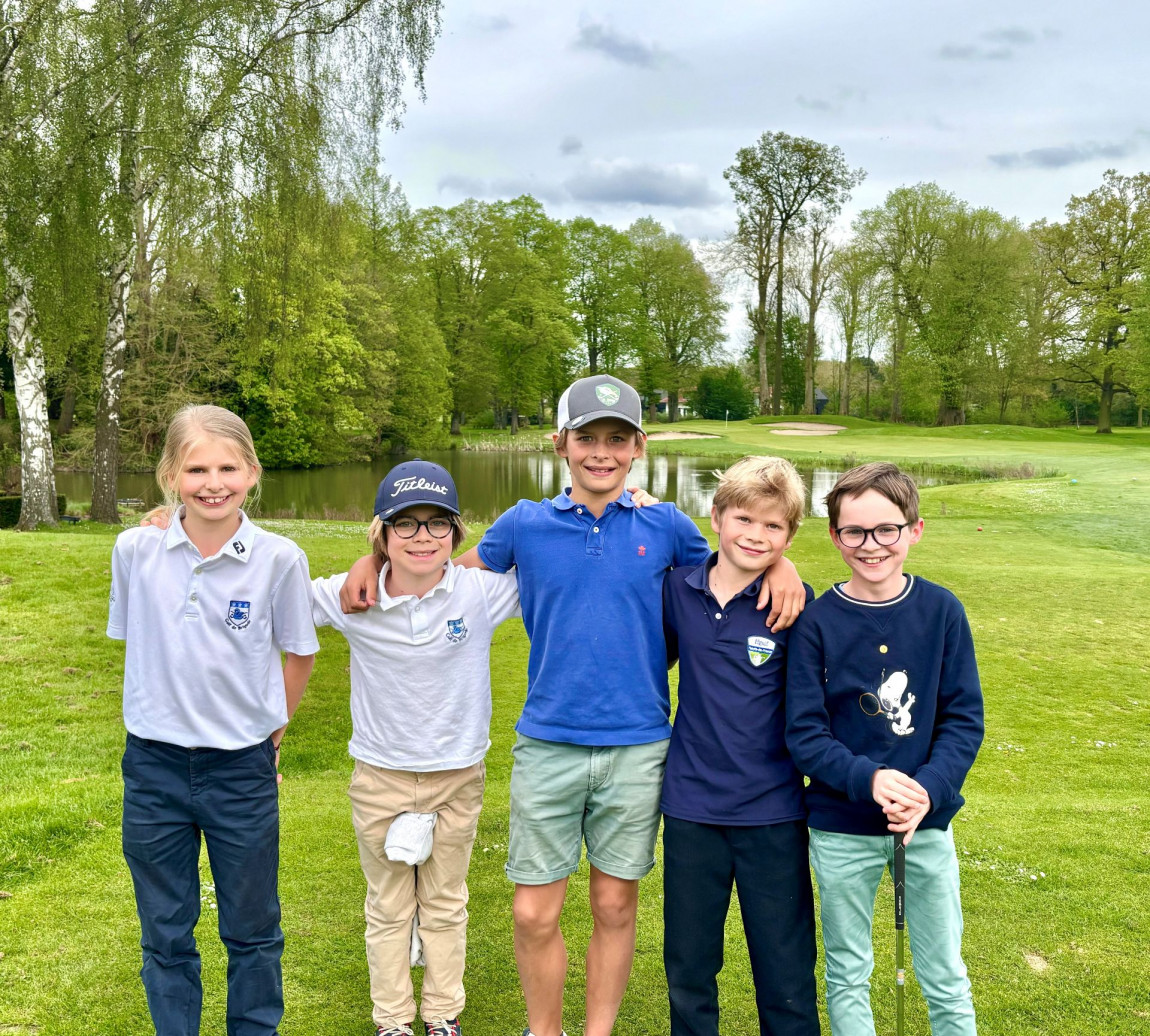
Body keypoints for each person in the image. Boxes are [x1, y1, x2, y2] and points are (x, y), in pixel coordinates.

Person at [339, 374, 806, 1036]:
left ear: (638, 448)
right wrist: (373, 560)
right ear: (560, 443)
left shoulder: (667, 525)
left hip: (638, 746)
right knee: (533, 912)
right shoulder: (524, 524)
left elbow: (731, 566)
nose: (601, 452)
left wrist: (781, 566)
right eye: (587, 437)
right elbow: (442, 571)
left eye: (617, 439)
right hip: (548, 742)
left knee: (615, 903)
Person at [107, 404, 319, 1036]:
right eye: (196, 468)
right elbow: (141, 642)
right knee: (165, 931)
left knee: (252, 929)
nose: (213, 482)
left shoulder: (280, 559)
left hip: (240, 770)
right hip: (154, 768)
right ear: (171, 472)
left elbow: (300, 654)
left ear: (252, 472)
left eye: (228, 467)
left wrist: (269, 737)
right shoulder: (134, 549)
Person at [309, 460, 521, 1036]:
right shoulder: (352, 598)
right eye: (405, 524)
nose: (422, 537)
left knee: (447, 901)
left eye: (436, 524)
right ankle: (393, 1020)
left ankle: (442, 1014)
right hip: (380, 776)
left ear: (456, 533)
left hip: (458, 775)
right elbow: (273, 600)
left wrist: (636, 502)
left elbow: (564, 567)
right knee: (388, 906)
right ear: (381, 534)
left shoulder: (481, 591)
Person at [785, 461, 984, 1036]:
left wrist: (927, 790)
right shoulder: (816, 622)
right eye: (854, 532)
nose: (871, 545)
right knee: (849, 971)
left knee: (944, 972)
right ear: (835, 535)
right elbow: (805, 732)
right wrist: (868, 779)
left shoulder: (942, 611)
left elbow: (963, 719)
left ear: (914, 530)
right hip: (842, 826)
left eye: (886, 530)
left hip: (926, 825)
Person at [660, 455, 819, 1036]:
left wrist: (786, 570)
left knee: (785, 970)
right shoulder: (677, 589)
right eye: (744, 520)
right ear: (717, 516)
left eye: (774, 527)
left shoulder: (798, 606)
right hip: (691, 810)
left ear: (790, 535)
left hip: (773, 812)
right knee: (690, 968)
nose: (756, 535)